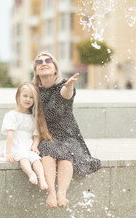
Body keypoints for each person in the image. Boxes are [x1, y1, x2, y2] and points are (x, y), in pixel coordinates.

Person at [32, 52, 101, 208]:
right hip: (47, 136)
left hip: (68, 135)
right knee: (47, 149)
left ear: (55, 68)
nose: (44, 63)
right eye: (39, 62)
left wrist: (69, 86)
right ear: (35, 71)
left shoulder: (63, 86)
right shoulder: (33, 91)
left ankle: (62, 194)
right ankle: (51, 192)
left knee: (66, 152)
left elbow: (66, 94)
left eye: (48, 60)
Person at [0, 82, 52, 190]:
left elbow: (36, 134)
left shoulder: (33, 117)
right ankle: (31, 174)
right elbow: (10, 135)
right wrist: (7, 152)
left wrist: (35, 146)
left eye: (31, 97)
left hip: (28, 143)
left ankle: (42, 178)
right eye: (25, 96)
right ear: (18, 96)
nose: (28, 99)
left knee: (36, 158)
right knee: (23, 157)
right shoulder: (11, 115)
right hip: (16, 143)